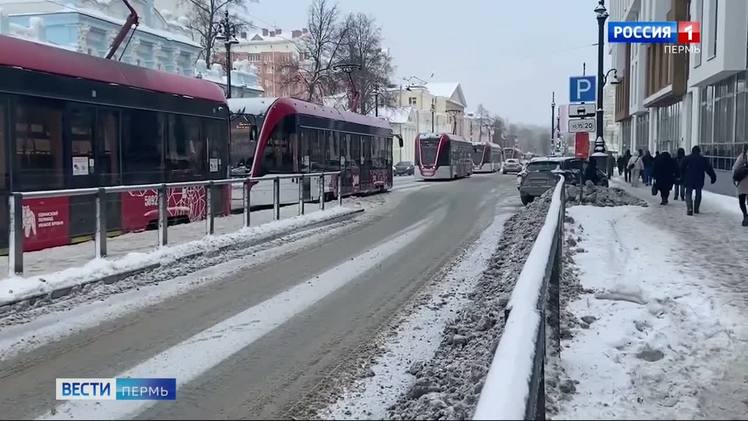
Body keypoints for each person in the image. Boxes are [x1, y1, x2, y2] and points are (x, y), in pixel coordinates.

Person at [682, 145, 717, 216]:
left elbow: (681, 168)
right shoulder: (703, 159)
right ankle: (696, 208)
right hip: (699, 179)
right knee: (698, 193)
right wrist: (713, 177)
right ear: (699, 151)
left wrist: (681, 176)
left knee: (688, 193)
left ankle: (689, 208)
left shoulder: (687, 158)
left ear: (692, 151)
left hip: (689, 179)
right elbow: (709, 169)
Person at [732, 144, 748, 226]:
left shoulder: (742, 156)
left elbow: (734, 168)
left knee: (742, 201)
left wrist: (734, 179)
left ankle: (745, 216)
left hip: (743, 182)